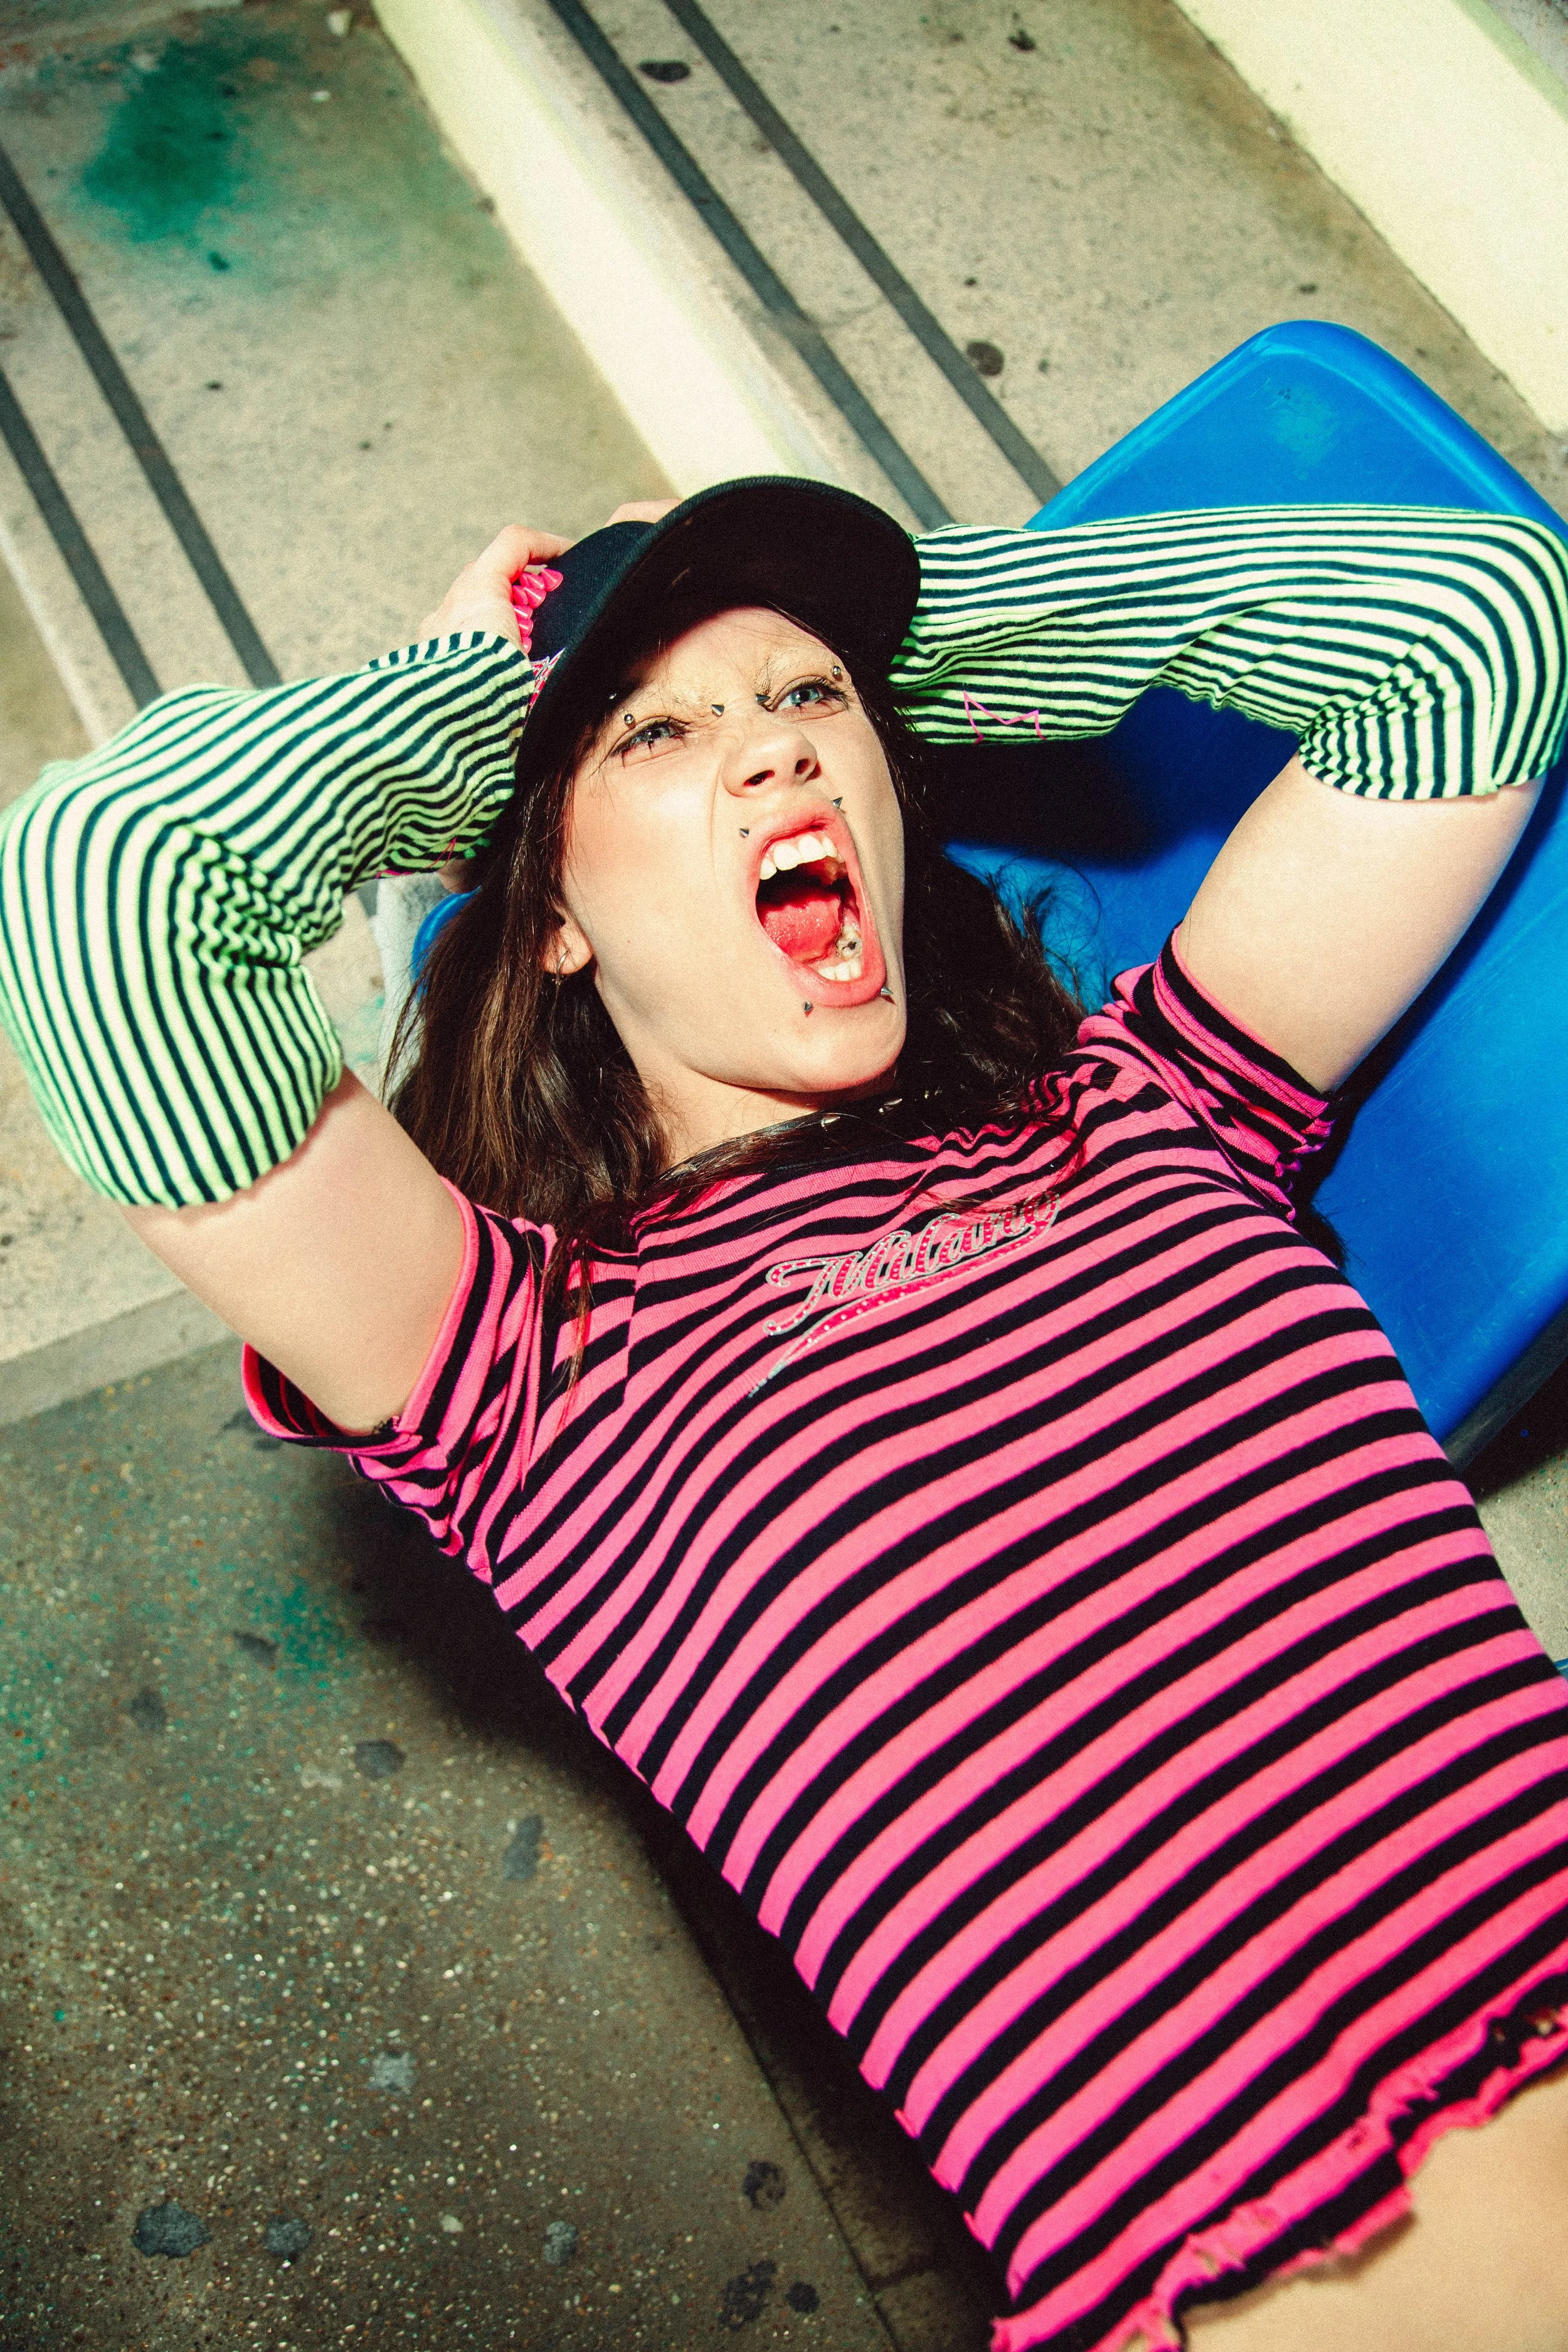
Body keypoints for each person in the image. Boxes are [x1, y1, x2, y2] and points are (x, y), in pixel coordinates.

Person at [3, 477, 1568, 2352]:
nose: (765, 756)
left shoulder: (1156, 1104)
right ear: (553, 922)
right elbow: (109, 883)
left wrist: (887, 639)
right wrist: (478, 711)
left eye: (809, 707)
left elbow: (1465, 616)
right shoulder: (523, 1356)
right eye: (660, 734)